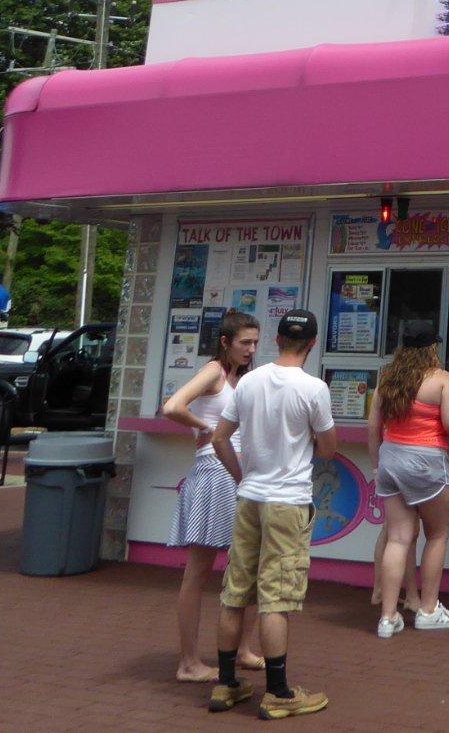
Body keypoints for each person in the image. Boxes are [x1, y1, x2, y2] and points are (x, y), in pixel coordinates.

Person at [207, 308, 334, 719]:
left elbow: (220, 437)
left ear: (276, 340)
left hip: (251, 497)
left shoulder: (248, 382)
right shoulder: (314, 389)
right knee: (276, 598)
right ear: (312, 345)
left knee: (236, 590)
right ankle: (278, 692)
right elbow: (329, 449)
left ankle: (226, 684)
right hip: (289, 501)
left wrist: (242, 475)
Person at [159, 310, 265, 683]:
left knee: (248, 565)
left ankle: (243, 648)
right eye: (244, 343)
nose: (251, 349)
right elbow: (172, 406)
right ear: (225, 342)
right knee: (199, 571)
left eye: (255, 342)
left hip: (237, 474)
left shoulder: (242, 378)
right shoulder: (213, 372)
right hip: (213, 474)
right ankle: (188, 662)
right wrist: (204, 427)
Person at [368, 320, 449, 637]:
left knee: (398, 538)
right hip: (427, 460)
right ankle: (428, 609)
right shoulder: (441, 379)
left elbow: (373, 427)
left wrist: (375, 465)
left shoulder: (388, 379)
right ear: (431, 348)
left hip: (390, 458)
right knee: (437, 535)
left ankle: (387, 617)